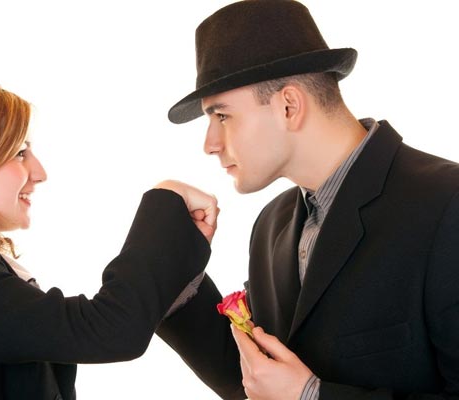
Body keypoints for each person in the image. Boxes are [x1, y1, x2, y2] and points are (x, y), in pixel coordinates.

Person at [156, 1, 459, 399]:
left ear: (289, 106)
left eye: (222, 116)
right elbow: (259, 382)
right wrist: (176, 272)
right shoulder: (272, 224)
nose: (210, 144)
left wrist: (312, 397)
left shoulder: (447, 205)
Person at [0, 77, 219, 400]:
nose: (39, 172)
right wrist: (165, 201)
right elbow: (110, 330)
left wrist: (174, 248)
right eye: (19, 152)